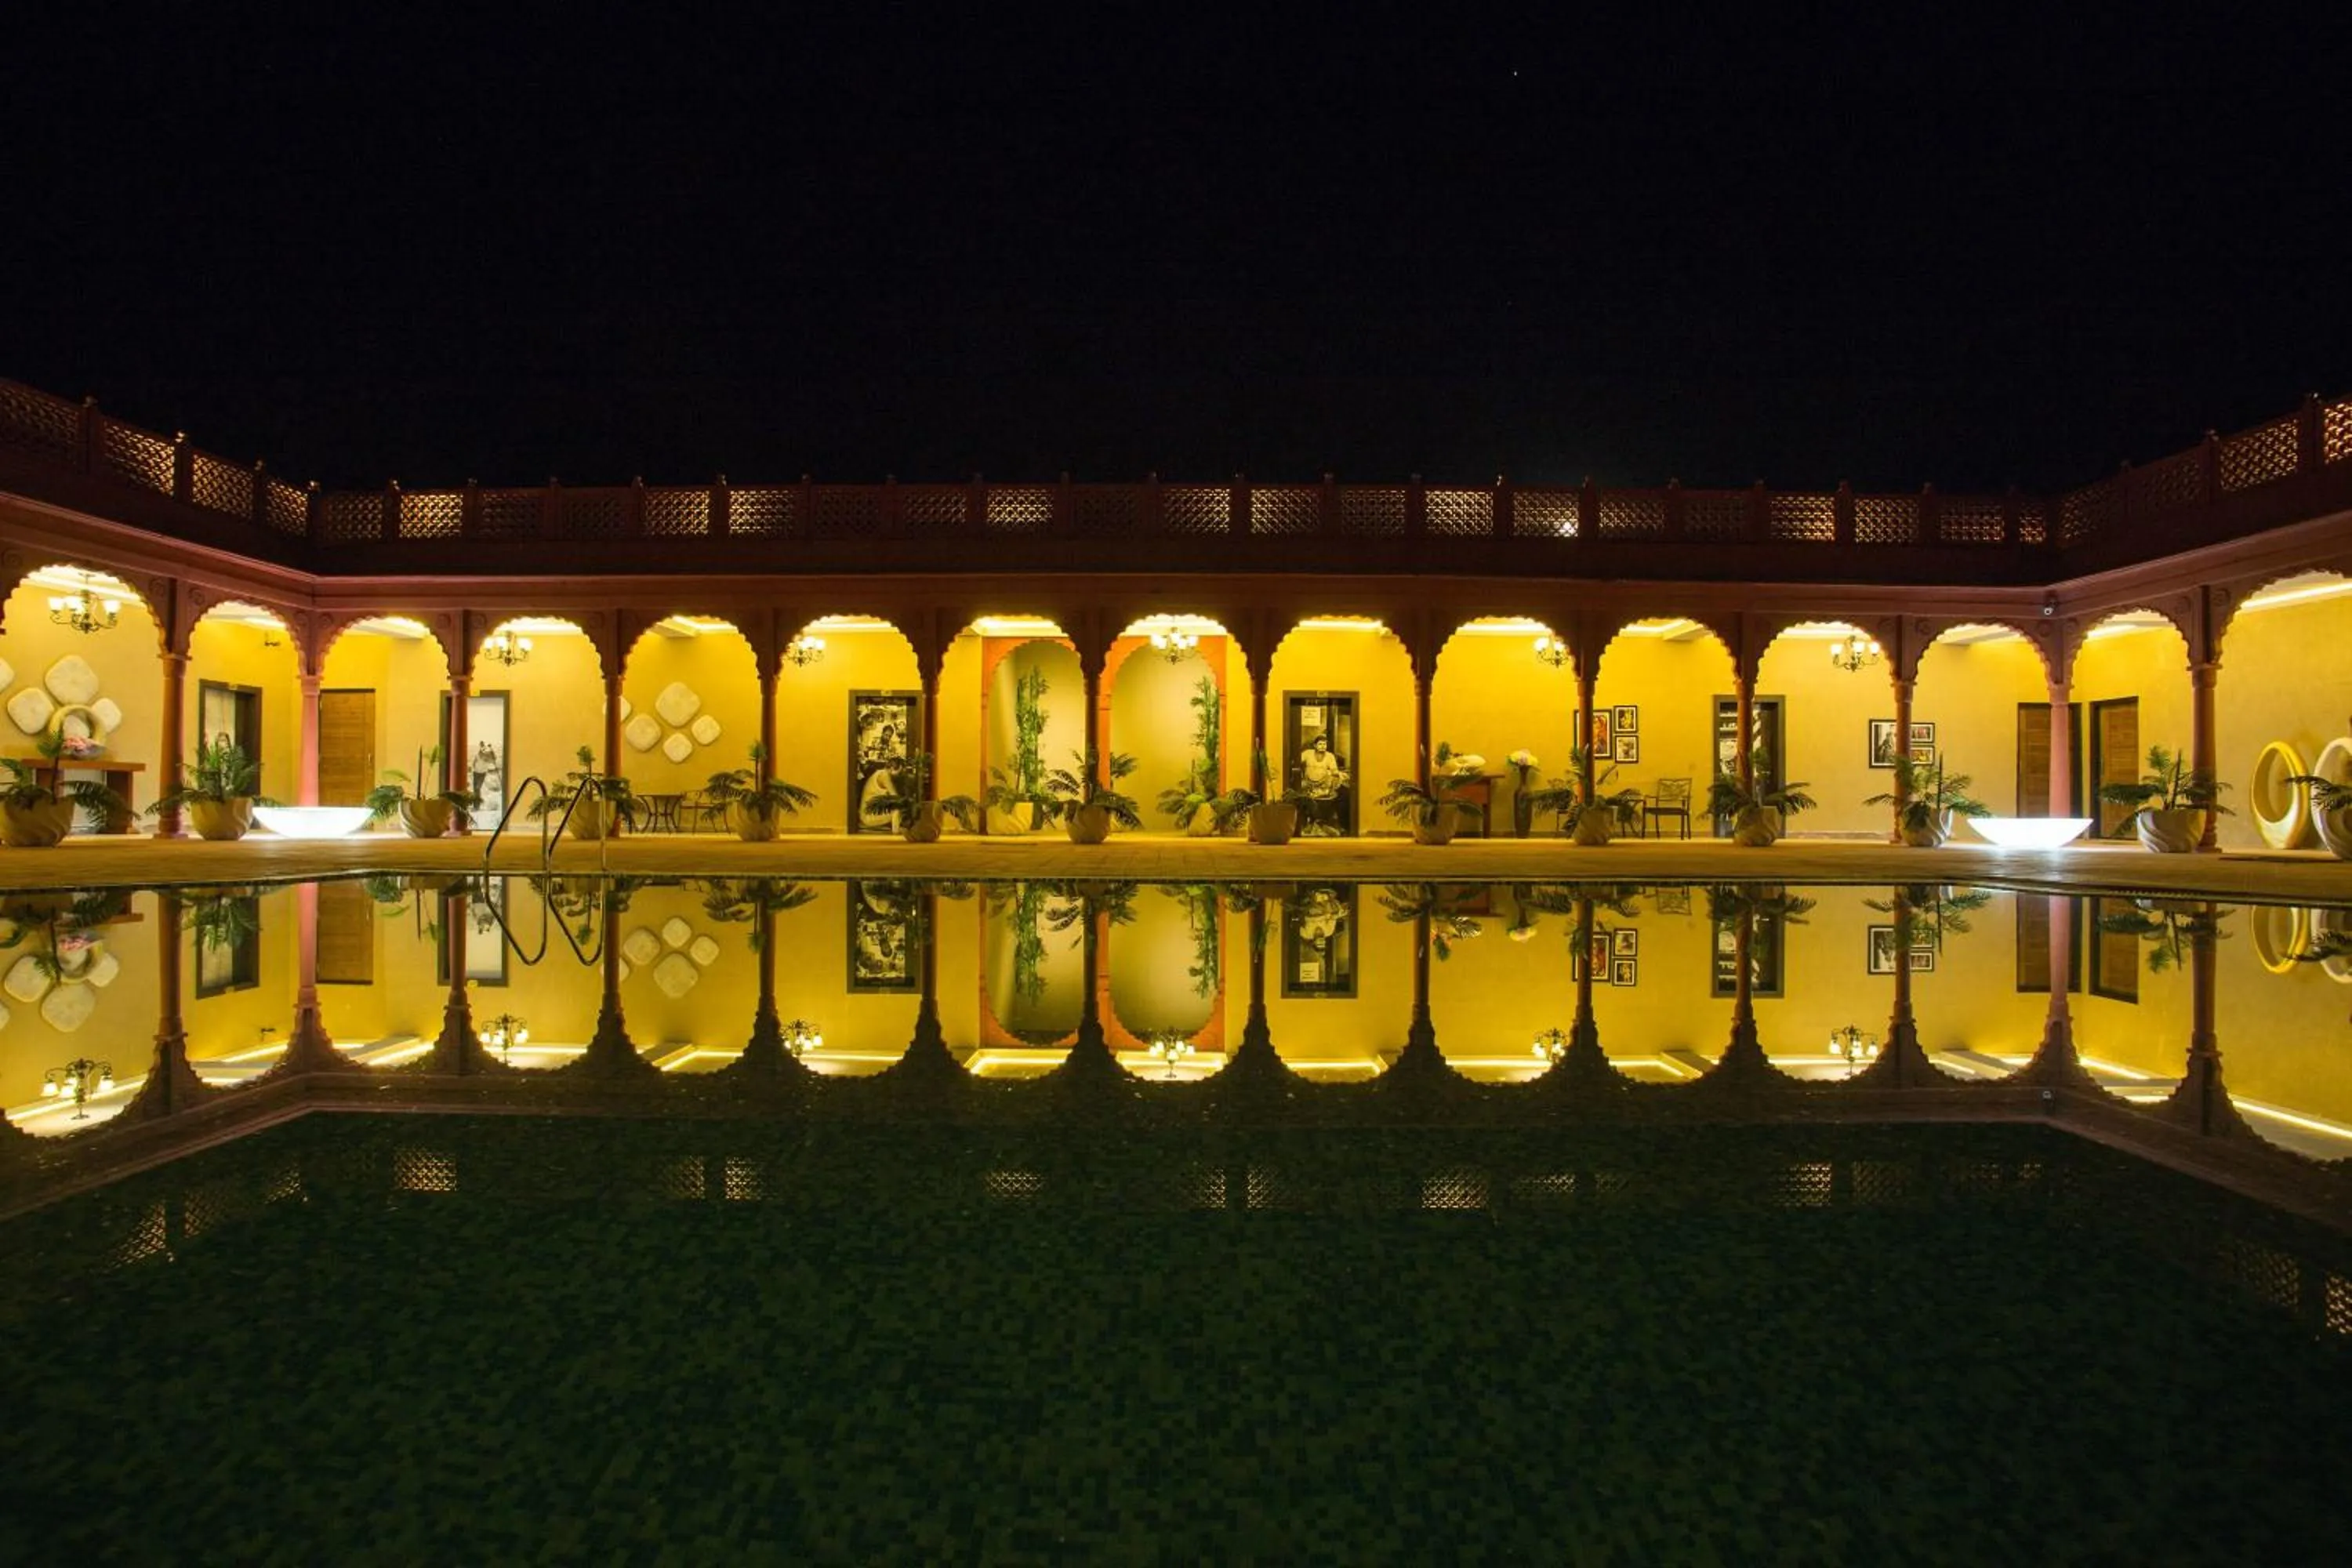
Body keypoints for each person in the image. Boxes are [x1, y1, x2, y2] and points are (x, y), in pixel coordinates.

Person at [1297, 733, 1349, 835]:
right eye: (1320, 744)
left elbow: (1334, 771)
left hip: (1323, 784)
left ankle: (1326, 821)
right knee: (1302, 796)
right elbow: (1296, 761)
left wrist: (1339, 775)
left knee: (1335, 790)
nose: (1323, 746)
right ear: (1315, 745)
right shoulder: (1308, 753)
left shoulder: (1330, 756)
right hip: (1308, 783)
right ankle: (1307, 823)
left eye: (1324, 744)